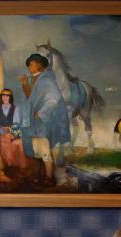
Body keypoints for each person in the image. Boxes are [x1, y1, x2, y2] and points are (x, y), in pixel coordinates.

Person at [19, 53, 70, 185]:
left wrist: (41, 113)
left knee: (44, 147)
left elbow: (54, 99)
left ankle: (48, 177)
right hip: (33, 119)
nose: (29, 67)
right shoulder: (34, 78)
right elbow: (31, 98)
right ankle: (39, 175)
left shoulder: (46, 79)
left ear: (39, 65)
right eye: (29, 65)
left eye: (31, 64)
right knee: (36, 148)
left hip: (43, 121)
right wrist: (24, 84)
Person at [0, 88, 30, 170]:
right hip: (1, 132)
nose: (5, 97)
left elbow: (16, 123)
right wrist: (3, 132)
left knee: (19, 142)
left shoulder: (15, 108)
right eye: (3, 95)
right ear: (1, 97)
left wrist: (11, 132)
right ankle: (8, 165)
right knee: (4, 141)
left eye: (7, 95)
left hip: (12, 131)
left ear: (10, 97)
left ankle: (20, 166)